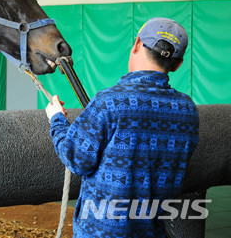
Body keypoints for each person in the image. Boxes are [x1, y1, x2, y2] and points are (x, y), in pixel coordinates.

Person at [45, 17, 199, 238]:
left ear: (136, 44)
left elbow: (76, 158)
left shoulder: (110, 102)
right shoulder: (188, 110)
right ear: (178, 64)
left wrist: (57, 120)